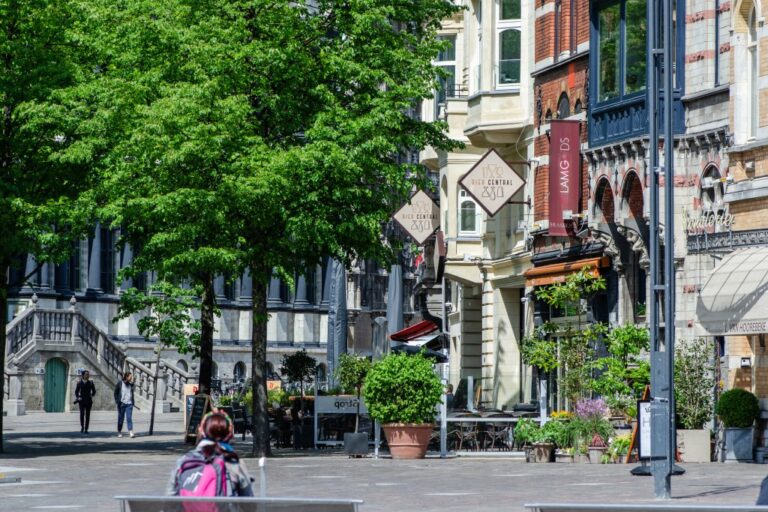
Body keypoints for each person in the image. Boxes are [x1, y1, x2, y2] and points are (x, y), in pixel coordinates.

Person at [167, 411, 254, 497]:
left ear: (202, 431)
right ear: (229, 434)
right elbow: (248, 501)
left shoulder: (184, 460)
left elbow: (171, 498)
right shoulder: (233, 462)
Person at [113, 371, 135, 438]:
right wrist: (117, 401)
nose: (131, 378)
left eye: (132, 377)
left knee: (129, 418)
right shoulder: (120, 383)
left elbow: (133, 391)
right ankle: (119, 431)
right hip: (121, 403)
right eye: (130, 377)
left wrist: (132, 382)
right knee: (121, 418)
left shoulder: (131, 384)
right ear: (126, 377)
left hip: (129, 403)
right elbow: (115, 392)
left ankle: (130, 431)